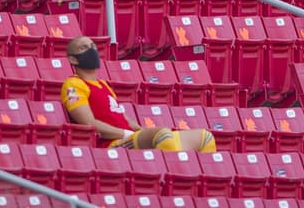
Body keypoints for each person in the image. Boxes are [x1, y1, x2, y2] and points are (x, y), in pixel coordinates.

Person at [60, 36, 216, 152]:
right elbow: (89, 124)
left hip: (130, 138)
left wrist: (140, 131)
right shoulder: (74, 84)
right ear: (73, 59)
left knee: (205, 138)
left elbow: (122, 117)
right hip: (112, 145)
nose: (91, 49)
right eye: (83, 47)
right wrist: (126, 134)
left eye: (92, 45)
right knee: (162, 135)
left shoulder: (103, 84)